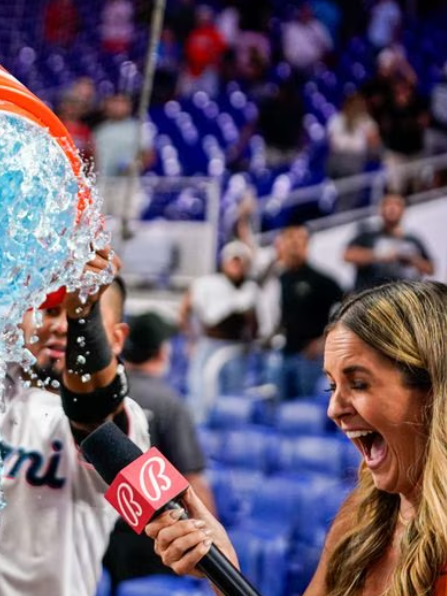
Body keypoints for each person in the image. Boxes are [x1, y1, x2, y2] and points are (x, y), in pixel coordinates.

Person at [145, 280, 447, 596]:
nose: (334, 409)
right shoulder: (359, 518)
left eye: (358, 384)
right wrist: (222, 568)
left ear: (434, 392)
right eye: (332, 386)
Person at [0, 255, 151, 596]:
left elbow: (92, 408)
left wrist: (84, 318)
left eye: (80, 313)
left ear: (117, 338)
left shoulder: (125, 417)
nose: (62, 325)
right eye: (50, 310)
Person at [104, 305, 215, 591]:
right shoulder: (170, 403)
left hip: (102, 530)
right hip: (153, 539)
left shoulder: (102, 396)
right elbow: (193, 479)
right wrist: (211, 543)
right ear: (163, 351)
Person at [179, 240, 259, 423]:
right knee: (200, 393)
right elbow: (184, 310)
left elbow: (255, 325)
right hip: (208, 345)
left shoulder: (250, 290)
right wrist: (191, 340)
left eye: (241, 261)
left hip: (236, 349)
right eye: (233, 260)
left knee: (233, 396)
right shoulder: (207, 284)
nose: (237, 265)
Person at [271, 224, 344, 400]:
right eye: (290, 238)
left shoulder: (322, 279)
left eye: (299, 238)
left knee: (305, 409)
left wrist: (325, 340)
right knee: (281, 407)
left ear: (307, 243)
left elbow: (351, 308)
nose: (294, 243)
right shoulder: (280, 278)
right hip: (285, 352)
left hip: (311, 358)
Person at [343, 192, 433, 292]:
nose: (392, 208)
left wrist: (412, 259)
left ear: (403, 210)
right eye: (388, 204)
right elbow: (348, 255)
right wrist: (379, 255)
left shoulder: (413, 240)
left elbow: (430, 269)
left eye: (397, 204)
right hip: (371, 297)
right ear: (380, 209)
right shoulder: (367, 235)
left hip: (404, 297)